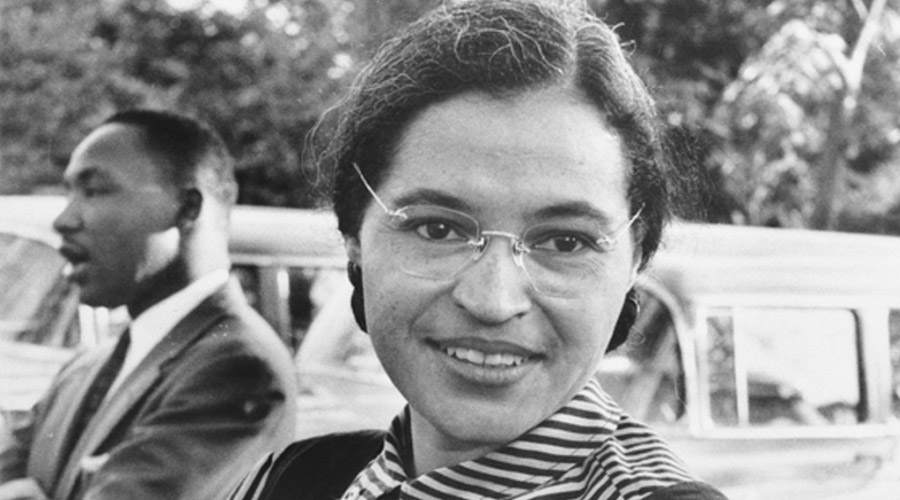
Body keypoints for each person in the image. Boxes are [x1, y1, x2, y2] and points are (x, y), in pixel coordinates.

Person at [230, 1, 728, 499]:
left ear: (635, 260)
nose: (493, 300)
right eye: (437, 230)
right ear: (354, 236)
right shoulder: (298, 478)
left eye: (565, 241)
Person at [0, 110, 298, 500]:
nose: (64, 219)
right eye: (68, 192)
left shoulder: (239, 369)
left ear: (188, 207)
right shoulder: (85, 367)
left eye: (94, 190)